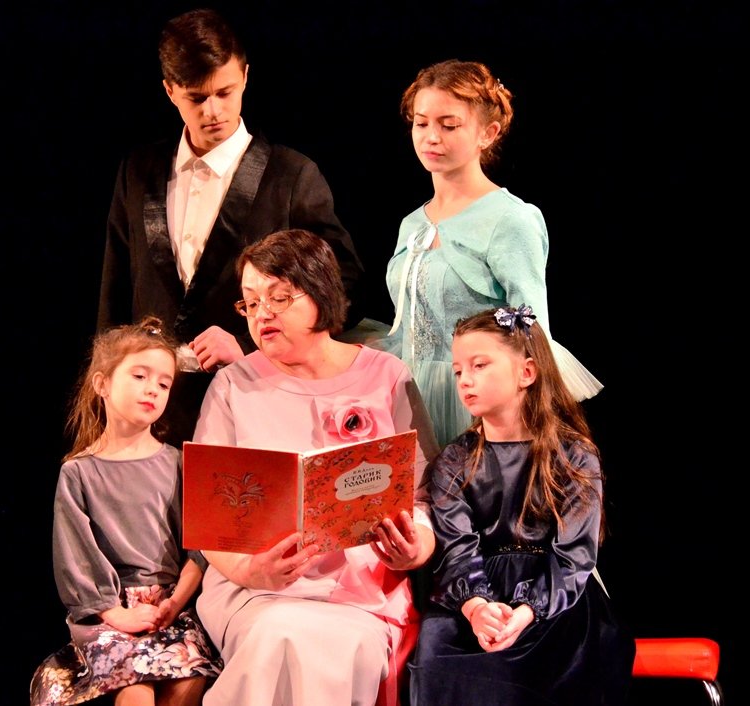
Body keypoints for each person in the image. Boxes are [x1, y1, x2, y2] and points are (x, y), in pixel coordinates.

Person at [192, 229, 439, 706]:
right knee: (277, 634)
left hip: (362, 595)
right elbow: (209, 518)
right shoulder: (233, 386)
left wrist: (415, 548)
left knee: (338, 644)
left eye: (278, 297)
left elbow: (423, 497)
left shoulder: (387, 376)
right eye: (250, 302)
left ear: (319, 292)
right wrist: (251, 572)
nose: (262, 313)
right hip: (258, 590)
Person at [98, 8, 365, 449]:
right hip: (152, 409)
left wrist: (249, 342)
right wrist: (108, 380)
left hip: (258, 402)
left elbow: (344, 288)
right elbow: (116, 286)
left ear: (244, 75)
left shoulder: (291, 176)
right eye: (197, 98)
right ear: (170, 91)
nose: (214, 111)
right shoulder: (139, 170)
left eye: (225, 92)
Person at [407, 305, 635, 705]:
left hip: (554, 598)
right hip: (476, 592)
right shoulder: (456, 460)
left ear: (526, 372)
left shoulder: (573, 455)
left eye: (479, 366)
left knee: (539, 669)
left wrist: (528, 609)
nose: (465, 380)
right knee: (437, 657)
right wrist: (477, 608)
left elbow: (575, 556)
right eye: (458, 371)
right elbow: (457, 550)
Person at [377, 59, 601, 448]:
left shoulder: (509, 219)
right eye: (421, 123)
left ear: (488, 133)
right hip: (411, 398)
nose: (431, 137)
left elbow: (532, 330)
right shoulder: (412, 224)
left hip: (477, 402)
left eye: (449, 125)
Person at [29, 316, 223, 706]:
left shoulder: (178, 463)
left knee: (189, 678)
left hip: (171, 608)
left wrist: (174, 603)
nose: (152, 389)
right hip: (111, 614)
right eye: (139, 376)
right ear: (102, 384)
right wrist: (116, 614)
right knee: (135, 688)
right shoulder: (80, 472)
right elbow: (76, 557)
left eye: (164, 383)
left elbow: (199, 547)